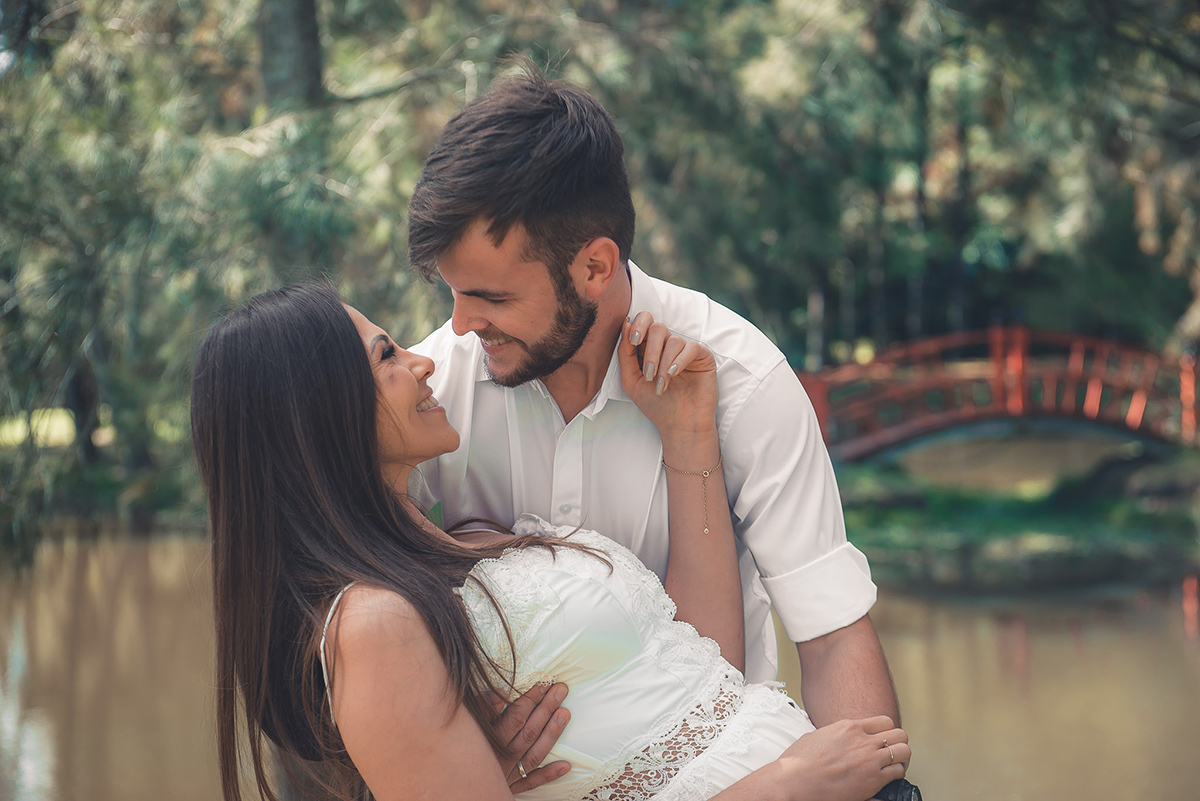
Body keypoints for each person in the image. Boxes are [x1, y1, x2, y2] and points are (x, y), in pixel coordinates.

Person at [193, 283, 910, 801]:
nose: (423, 361)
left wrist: (688, 439)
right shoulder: (371, 622)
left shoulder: (454, 543)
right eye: (385, 355)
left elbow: (699, 665)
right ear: (315, 417)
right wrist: (786, 785)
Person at [406, 65, 900, 726]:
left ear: (594, 267)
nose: (461, 324)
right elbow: (342, 597)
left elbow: (834, 635)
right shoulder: (430, 388)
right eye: (453, 292)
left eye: (492, 297)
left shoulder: (745, 382)